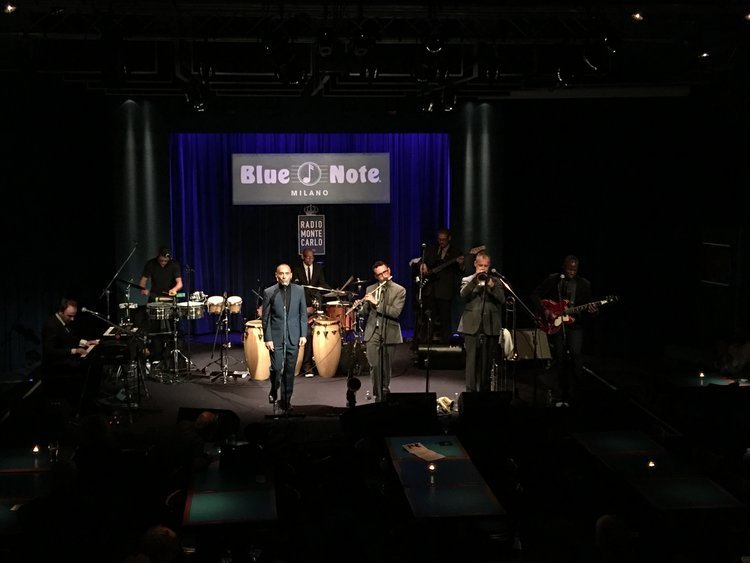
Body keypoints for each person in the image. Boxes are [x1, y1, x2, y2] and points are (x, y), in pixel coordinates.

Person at [530, 254, 598, 406]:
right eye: (569, 269)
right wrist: (545, 310)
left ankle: (576, 395)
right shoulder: (554, 279)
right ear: (564, 267)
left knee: (576, 357)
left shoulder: (584, 284)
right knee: (560, 359)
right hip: (556, 324)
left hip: (574, 326)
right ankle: (561, 394)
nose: (572, 272)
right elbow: (534, 295)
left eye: (574, 270)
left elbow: (587, 306)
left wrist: (593, 311)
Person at [352, 260, 406, 402]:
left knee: (385, 367)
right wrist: (359, 307)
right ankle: (378, 395)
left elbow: (395, 312)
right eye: (379, 275)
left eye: (385, 272)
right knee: (374, 366)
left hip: (389, 331)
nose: (383, 276)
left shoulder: (399, 290)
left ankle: (385, 392)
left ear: (389, 270)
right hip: (372, 332)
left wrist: (376, 303)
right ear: (376, 276)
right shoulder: (370, 289)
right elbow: (365, 312)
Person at [40, 297, 103, 415]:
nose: (73, 319)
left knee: (93, 364)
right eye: (70, 316)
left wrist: (85, 342)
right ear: (60, 311)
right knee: (87, 367)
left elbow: (69, 337)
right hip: (55, 364)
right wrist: (74, 351)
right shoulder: (51, 325)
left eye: (74, 316)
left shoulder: (63, 321)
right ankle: (81, 403)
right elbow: (50, 351)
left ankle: (88, 399)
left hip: (65, 357)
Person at [457, 252, 506, 392]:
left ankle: (485, 393)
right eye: (480, 265)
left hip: (490, 325)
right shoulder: (467, 279)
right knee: (471, 362)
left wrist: (491, 286)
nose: (483, 268)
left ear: (489, 266)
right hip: (471, 325)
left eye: (485, 266)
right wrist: (476, 282)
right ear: (475, 264)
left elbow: (502, 300)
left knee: (487, 363)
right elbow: (463, 295)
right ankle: (470, 393)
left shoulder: (496, 281)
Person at [262, 263, 307, 411]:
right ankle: (274, 388)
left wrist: (303, 334)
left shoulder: (299, 290)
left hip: (293, 336)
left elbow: (303, 314)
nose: (284, 276)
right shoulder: (269, 292)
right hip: (276, 337)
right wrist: (267, 338)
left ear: (291, 275)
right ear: (276, 276)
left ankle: (286, 400)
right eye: (281, 274)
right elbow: (266, 318)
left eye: (287, 273)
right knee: (276, 368)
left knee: (289, 371)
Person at [139, 246, 183, 368]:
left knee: (173, 325)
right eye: (161, 260)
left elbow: (179, 282)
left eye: (165, 261)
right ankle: (156, 355)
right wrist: (143, 289)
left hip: (169, 298)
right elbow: (143, 280)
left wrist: (174, 289)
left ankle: (174, 353)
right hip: (155, 298)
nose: (163, 263)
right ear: (158, 256)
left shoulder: (174, 264)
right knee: (154, 328)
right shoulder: (151, 264)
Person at [419, 228, 465, 344]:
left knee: (445, 318)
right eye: (439, 239)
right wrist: (423, 264)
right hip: (430, 288)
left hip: (445, 290)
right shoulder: (432, 249)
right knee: (429, 316)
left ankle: (446, 343)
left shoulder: (455, 252)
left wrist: (461, 264)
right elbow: (423, 260)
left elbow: (461, 271)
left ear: (449, 239)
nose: (441, 242)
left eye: (444, 240)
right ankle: (426, 343)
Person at [291, 247, 331, 376]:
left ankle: (324, 364)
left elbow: (322, 284)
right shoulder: (297, 269)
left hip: (316, 307)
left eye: (312, 257)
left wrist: (333, 291)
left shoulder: (318, 268)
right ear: (302, 257)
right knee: (307, 333)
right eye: (308, 257)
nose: (310, 260)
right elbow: (295, 288)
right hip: (303, 308)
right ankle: (307, 365)